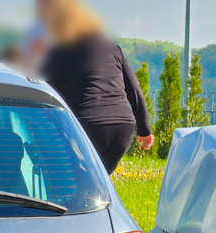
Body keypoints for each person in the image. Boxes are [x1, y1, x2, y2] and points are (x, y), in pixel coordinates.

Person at [39, 0, 154, 174]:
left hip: (89, 124)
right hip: (123, 127)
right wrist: (145, 129)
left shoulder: (62, 49)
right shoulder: (113, 48)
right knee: (98, 180)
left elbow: (39, 81)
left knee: (75, 178)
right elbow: (134, 89)